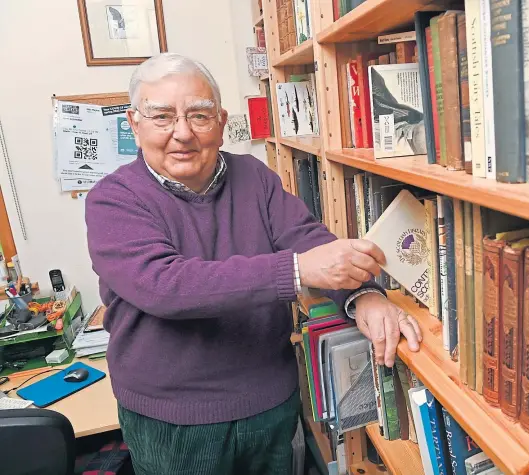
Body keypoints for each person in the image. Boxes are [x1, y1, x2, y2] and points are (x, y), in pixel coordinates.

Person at [85, 52, 423, 475]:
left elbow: (308, 239)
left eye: (199, 116)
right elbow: (164, 285)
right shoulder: (112, 200)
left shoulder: (254, 176)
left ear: (222, 122)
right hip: (172, 422)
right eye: (162, 117)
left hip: (270, 404)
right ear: (134, 124)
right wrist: (296, 271)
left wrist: (363, 296)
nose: (182, 133)